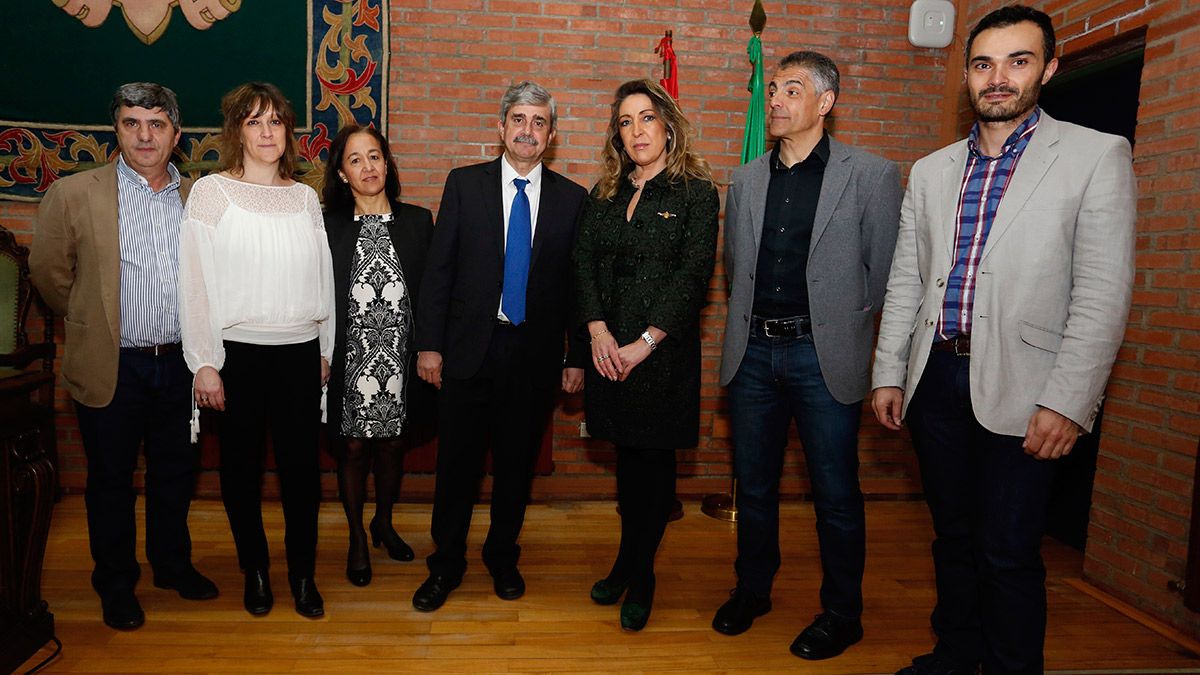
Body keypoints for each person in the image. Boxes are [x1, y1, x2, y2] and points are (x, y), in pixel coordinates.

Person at [870, 6, 1136, 673]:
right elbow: (908, 278)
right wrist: (889, 371)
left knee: (1008, 549)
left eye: (1018, 61)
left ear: (1048, 68)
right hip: (936, 382)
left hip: (1029, 389)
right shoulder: (931, 170)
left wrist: (1070, 402)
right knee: (952, 538)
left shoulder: (1094, 156)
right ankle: (956, 656)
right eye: (984, 63)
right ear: (966, 75)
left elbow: (1102, 294)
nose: (998, 78)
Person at [712, 51, 902, 659]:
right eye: (773, 90)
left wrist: (835, 327)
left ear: (825, 103)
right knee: (756, 486)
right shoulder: (744, 180)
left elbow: (883, 275)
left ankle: (843, 613)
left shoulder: (870, 175)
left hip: (824, 359)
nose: (775, 101)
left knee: (836, 494)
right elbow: (735, 269)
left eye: (791, 90)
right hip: (753, 358)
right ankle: (753, 589)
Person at [29, 82, 218, 631]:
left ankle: (171, 565)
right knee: (110, 480)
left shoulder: (200, 198)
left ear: (176, 135)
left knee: (175, 474)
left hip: (182, 363)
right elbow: (49, 274)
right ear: (116, 130)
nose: (144, 135)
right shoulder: (76, 193)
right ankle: (115, 584)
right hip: (112, 362)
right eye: (132, 123)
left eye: (157, 124)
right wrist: (91, 319)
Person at [412, 81, 587, 611]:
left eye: (539, 122)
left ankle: (502, 556)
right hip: (467, 351)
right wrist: (429, 347)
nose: (527, 130)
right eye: (519, 119)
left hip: (532, 357)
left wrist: (576, 355)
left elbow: (580, 287)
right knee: (458, 467)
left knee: (516, 466)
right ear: (501, 127)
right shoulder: (464, 185)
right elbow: (439, 271)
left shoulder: (572, 199)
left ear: (551, 134)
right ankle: (445, 564)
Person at [178, 82, 335, 619]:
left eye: (275, 121)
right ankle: (258, 573)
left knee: (302, 477)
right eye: (254, 121)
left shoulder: (305, 197)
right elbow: (193, 281)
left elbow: (324, 279)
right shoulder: (211, 193)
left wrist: (325, 348)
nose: (267, 131)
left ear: (288, 130)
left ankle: (303, 576)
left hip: (299, 352)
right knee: (241, 473)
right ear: (236, 131)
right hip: (236, 355)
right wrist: (203, 360)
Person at [573, 79, 719, 632]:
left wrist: (645, 342)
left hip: (660, 358)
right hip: (608, 353)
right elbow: (582, 263)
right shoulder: (605, 192)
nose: (637, 130)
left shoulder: (695, 193)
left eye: (646, 118)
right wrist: (598, 332)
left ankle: (642, 576)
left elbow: (692, 275)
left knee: (654, 472)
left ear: (668, 125)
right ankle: (625, 562)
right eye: (626, 121)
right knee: (627, 468)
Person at [322, 124, 434, 586]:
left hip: (400, 358)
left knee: (392, 444)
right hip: (347, 356)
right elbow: (314, 293)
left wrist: (431, 348)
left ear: (387, 163)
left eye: (375, 156)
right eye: (355, 159)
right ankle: (355, 537)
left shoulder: (418, 221)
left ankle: (383, 523)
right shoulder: (326, 225)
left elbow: (433, 291)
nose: (368, 167)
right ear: (342, 173)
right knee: (351, 447)